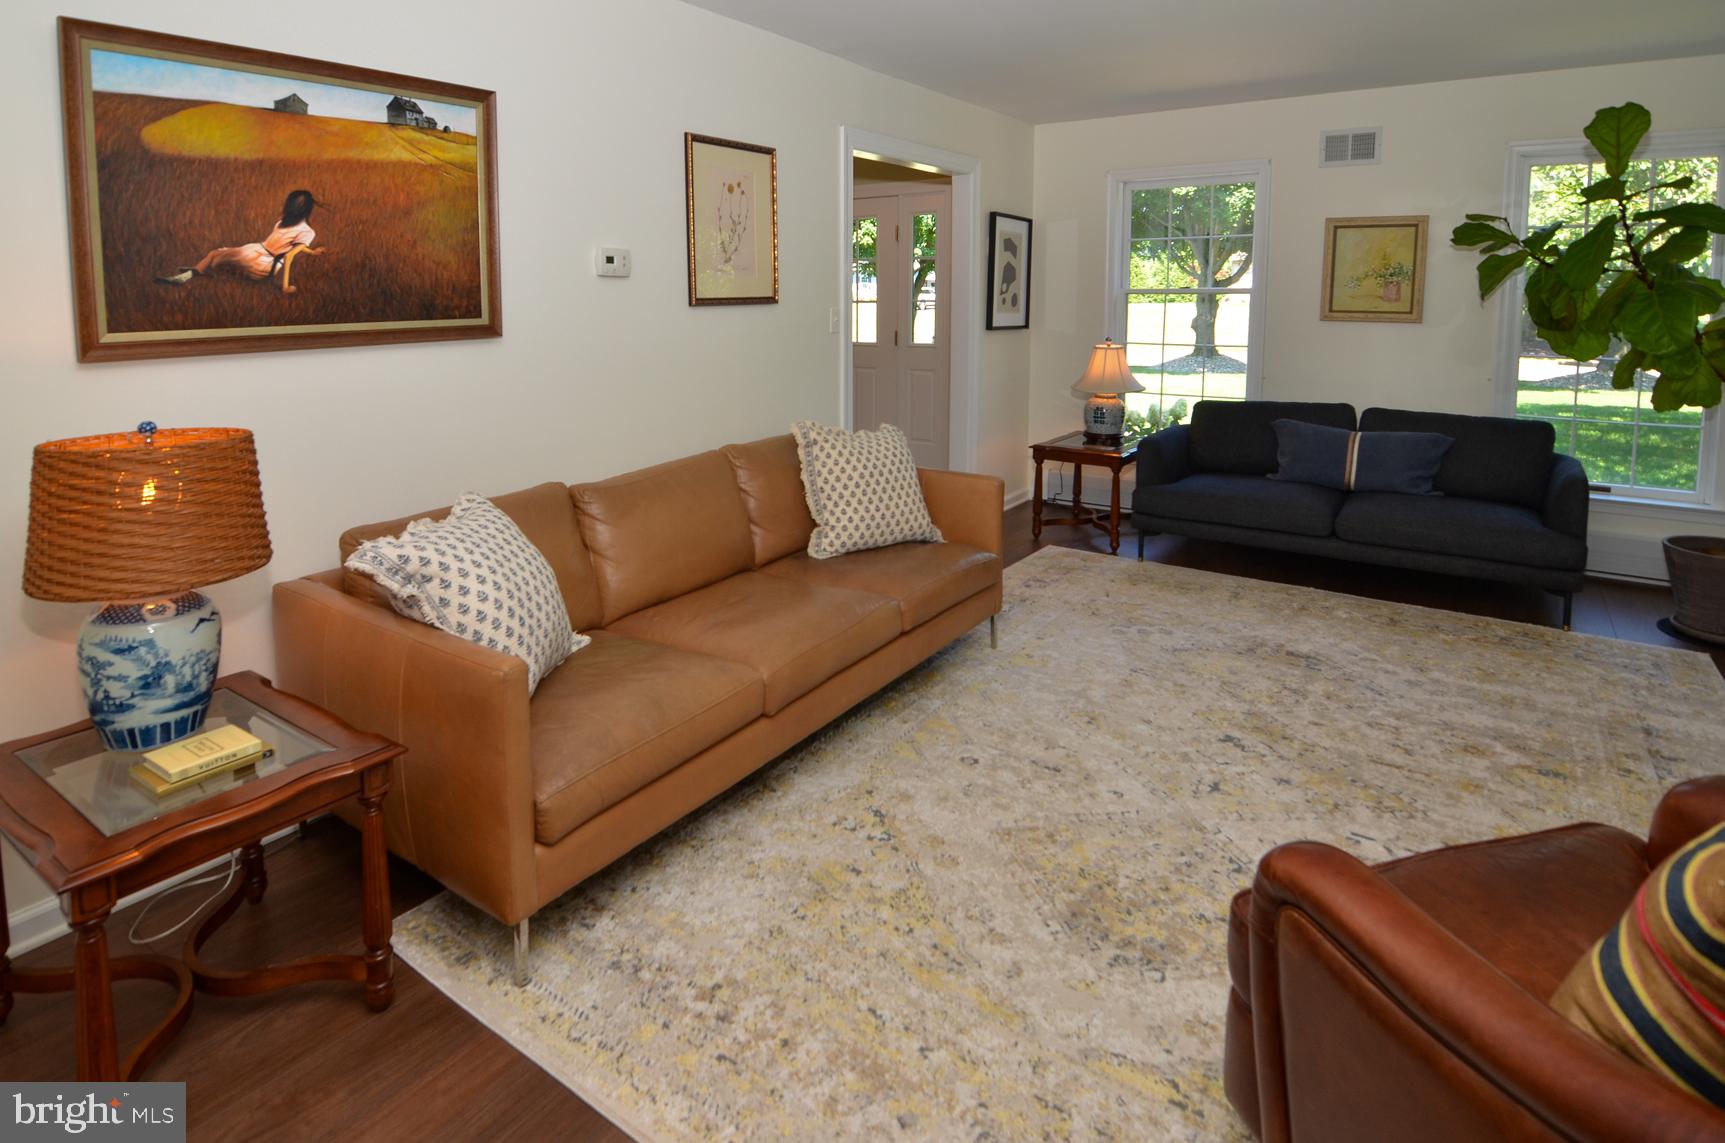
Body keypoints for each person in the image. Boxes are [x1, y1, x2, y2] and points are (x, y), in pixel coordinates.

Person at [156, 189, 327, 293]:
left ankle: (189, 274)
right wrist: (285, 288)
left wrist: (311, 251)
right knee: (218, 264)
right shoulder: (307, 232)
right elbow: (289, 255)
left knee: (214, 255)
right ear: (308, 209)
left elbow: (290, 250)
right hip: (264, 265)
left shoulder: (282, 221)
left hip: (255, 254)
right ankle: (197, 272)